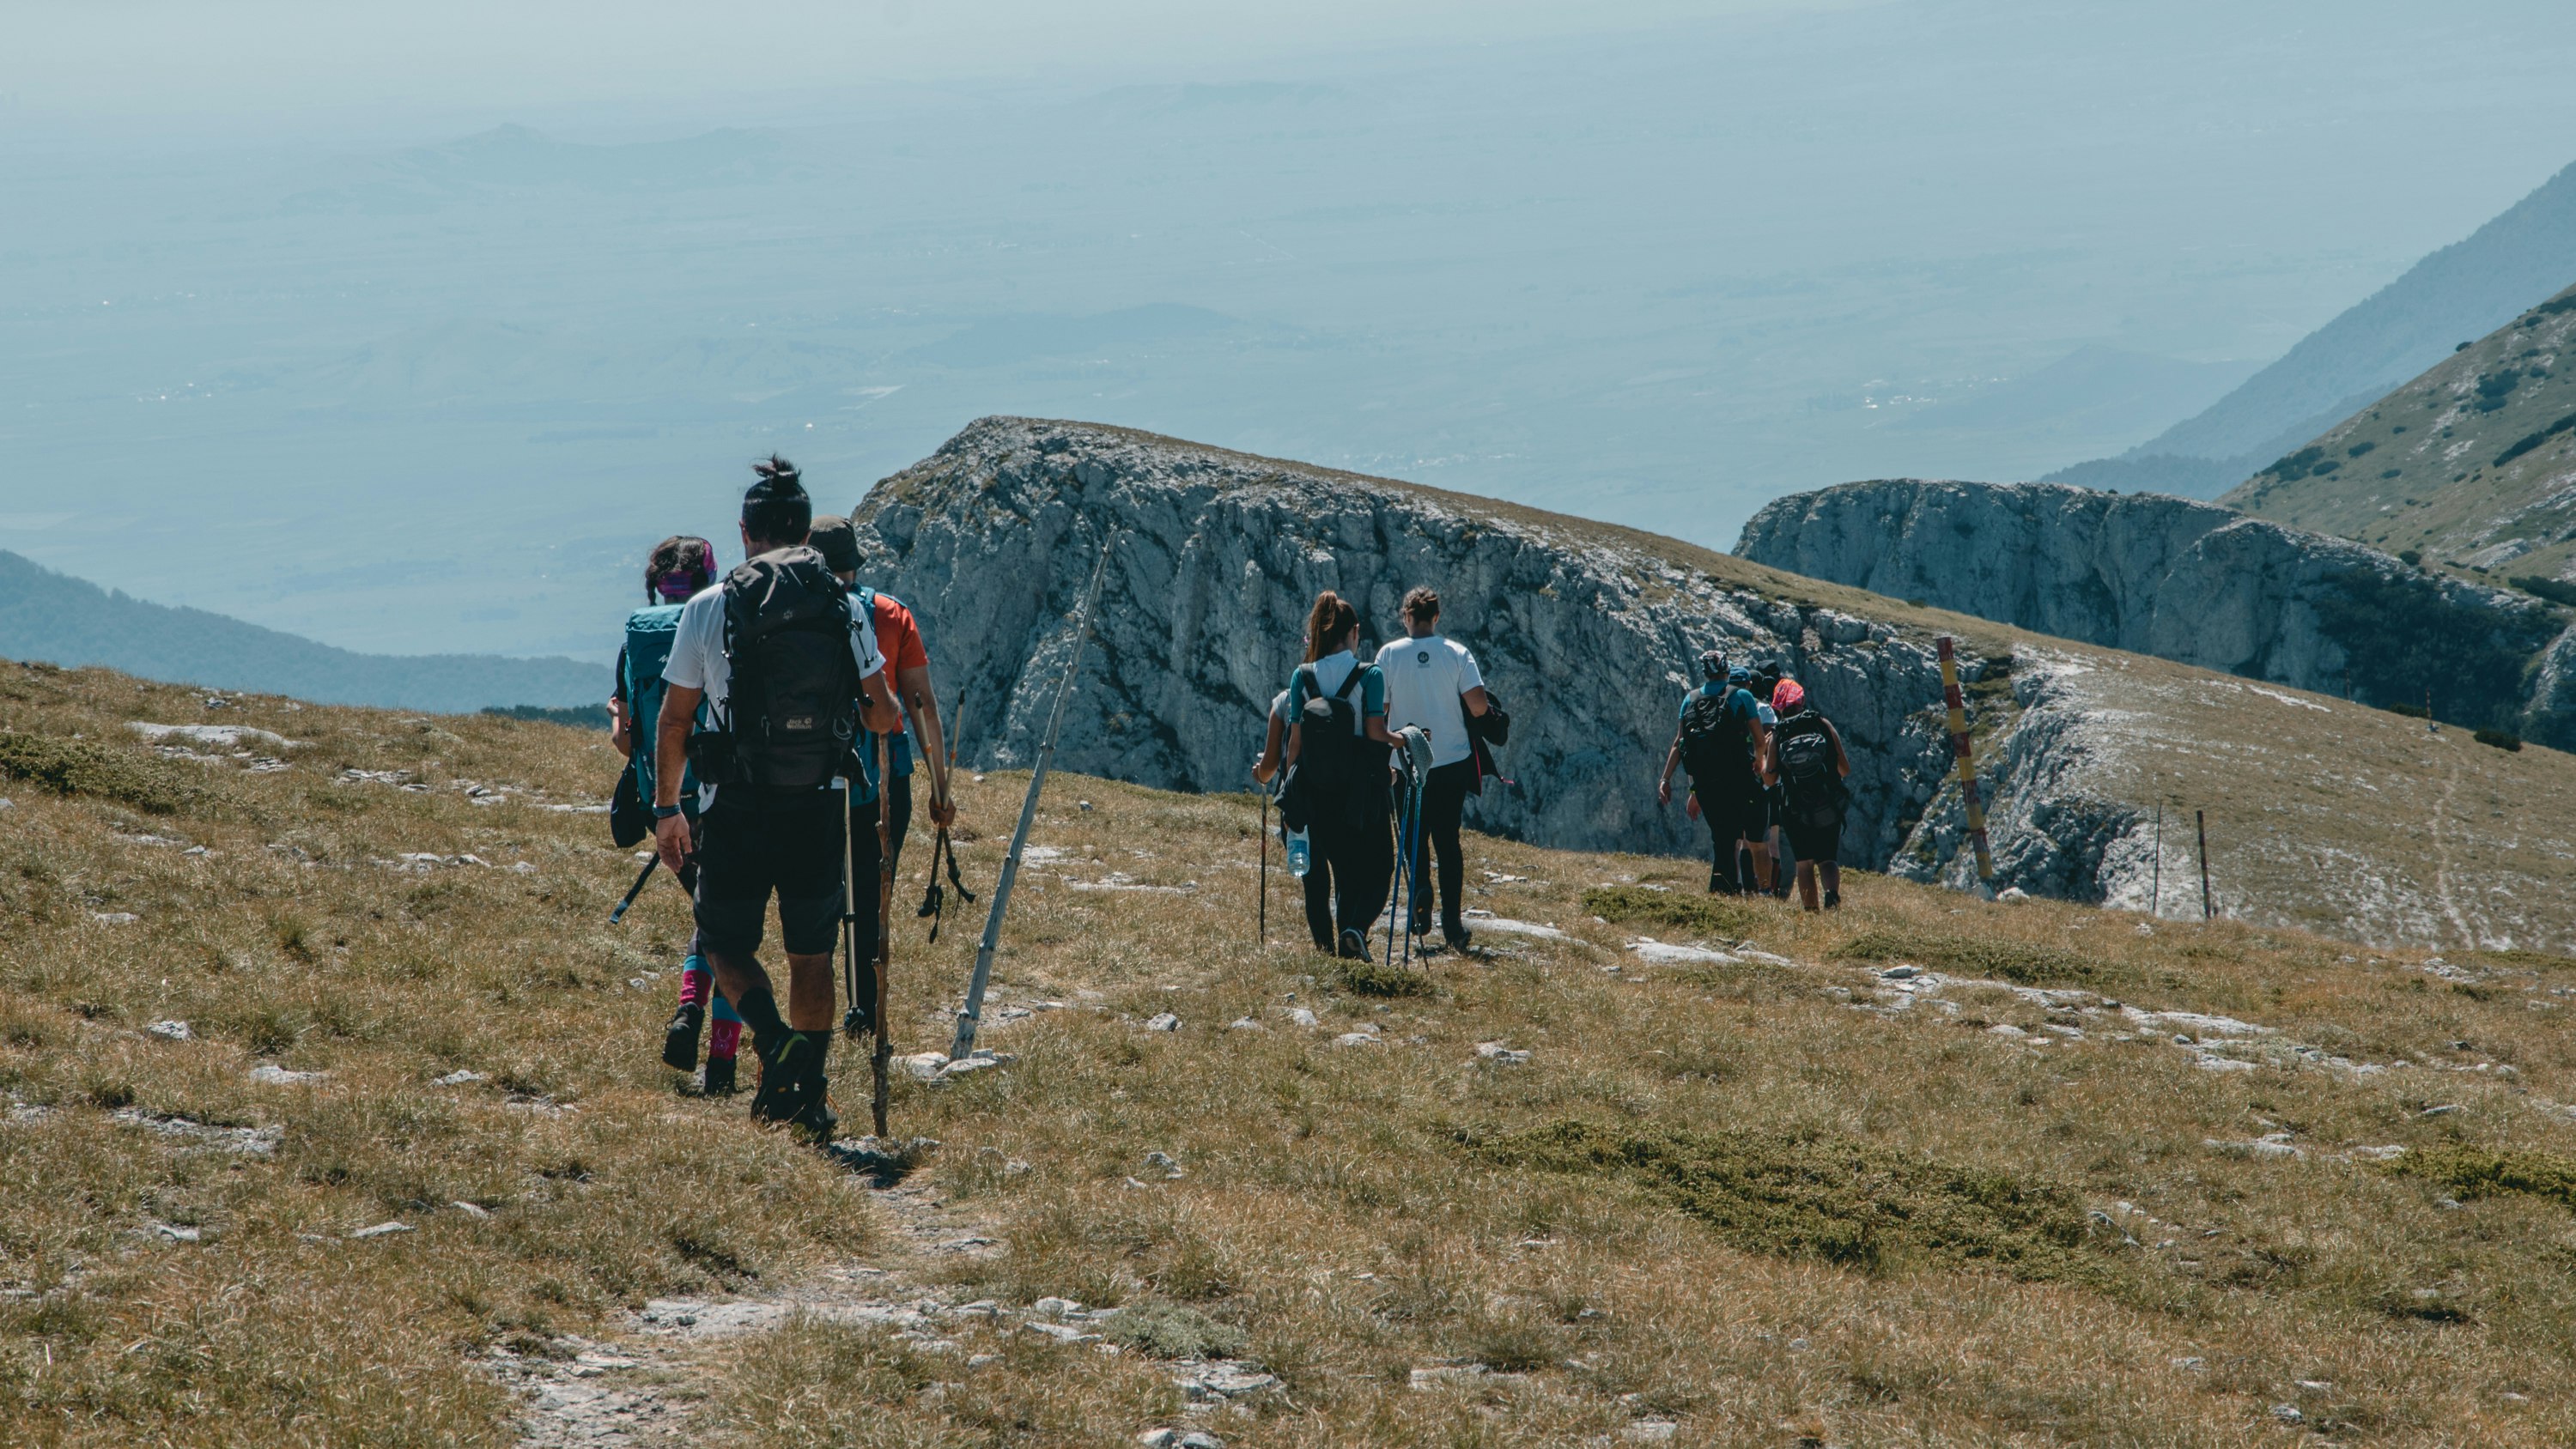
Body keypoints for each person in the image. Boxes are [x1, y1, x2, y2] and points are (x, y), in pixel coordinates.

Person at [652, 457, 902, 1141]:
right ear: (805, 532)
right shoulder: (843, 605)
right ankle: (807, 1095)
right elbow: (883, 717)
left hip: (734, 802)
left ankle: (773, 1043)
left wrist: (667, 809)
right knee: (810, 954)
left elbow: (675, 721)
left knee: (726, 941)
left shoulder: (710, 605)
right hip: (818, 801)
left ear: (745, 532)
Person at [806, 514, 958, 1029]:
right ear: (854, 563)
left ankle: (816, 1002)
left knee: (820, 886)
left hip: (812, 769)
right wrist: (941, 791)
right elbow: (922, 707)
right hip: (883, 770)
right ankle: (866, 1010)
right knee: (873, 891)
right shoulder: (891, 615)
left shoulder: (795, 610)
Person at [607, 536, 747, 1094]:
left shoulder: (637, 640)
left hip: (667, 811)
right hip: (724, 798)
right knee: (731, 929)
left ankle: (692, 1012)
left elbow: (626, 742)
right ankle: (722, 1063)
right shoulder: (721, 624)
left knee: (712, 918)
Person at [1373, 586, 1491, 951]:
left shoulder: (1389, 654)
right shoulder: (1457, 653)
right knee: (1448, 841)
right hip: (1450, 760)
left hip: (1405, 759)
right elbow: (1478, 706)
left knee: (1413, 835)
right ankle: (1453, 925)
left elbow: (1380, 709)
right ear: (1436, 617)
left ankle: (1420, 895)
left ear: (1406, 616)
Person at [1282, 591, 1399, 957]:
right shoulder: (1370, 674)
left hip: (1313, 791)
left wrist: (1291, 794)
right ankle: (1353, 931)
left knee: (1316, 880)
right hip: (1357, 793)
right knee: (1372, 870)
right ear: (1354, 633)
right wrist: (1406, 739)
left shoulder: (1302, 677)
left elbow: (1295, 743)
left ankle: (1324, 954)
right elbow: (1376, 732)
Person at [1656, 649, 1775, 894]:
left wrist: (1665, 778)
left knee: (1722, 837)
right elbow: (1759, 739)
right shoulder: (1742, 695)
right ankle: (1727, 893)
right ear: (1726, 669)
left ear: (1705, 673)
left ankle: (1722, 891)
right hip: (1737, 778)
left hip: (1704, 782)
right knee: (1734, 836)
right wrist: (1759, 761)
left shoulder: (1690, 699)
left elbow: (1679, 742)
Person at [1768, 677, 1853, 911]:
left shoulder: (1778, 734)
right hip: (1827, 803)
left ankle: (1812, 913)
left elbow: (1769, 778)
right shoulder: (1821, 724)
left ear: (1778, 705)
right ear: (1801, 700)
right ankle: (1832, 896)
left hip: (1794, 808)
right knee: (1827, 859)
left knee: (1803, 863)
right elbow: (1845, 768)